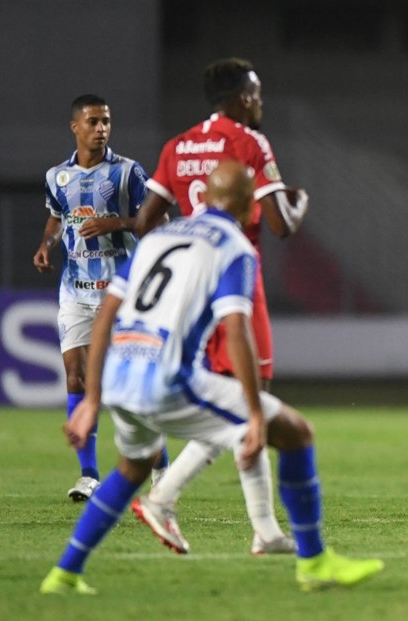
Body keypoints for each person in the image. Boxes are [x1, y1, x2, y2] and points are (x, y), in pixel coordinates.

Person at [39, 161, 383, 595]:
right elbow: (236, 328)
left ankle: (64, 573)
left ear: (203, 199)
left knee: (132, 467)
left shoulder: (161, 236)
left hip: (120, 378)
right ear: (248, 207)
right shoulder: (234, 247)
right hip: (167, 379)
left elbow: (109, 308)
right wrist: (255, 413)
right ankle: (314, 562)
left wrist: (92, 399)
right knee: (295, 432)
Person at [130, 57, 310, 555]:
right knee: (250, 400)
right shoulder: (248, 143)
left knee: (234, 400)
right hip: (236, 279)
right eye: (256, 93)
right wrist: (299, 203)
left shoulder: (178, 145)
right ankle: (165, 498)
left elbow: (146, 222)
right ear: (242, 98)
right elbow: (279, 224)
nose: (260, 102)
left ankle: (265, 531)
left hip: (193, 287)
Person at [35, 94, 168, 502]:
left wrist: (119, 222)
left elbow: (159, 221)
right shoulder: (57, 176)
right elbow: (58, 217)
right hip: (75, 292)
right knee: (75, 379)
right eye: (93, 121)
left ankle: (161, 469)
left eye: (106, 121)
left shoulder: (128, 172)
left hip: (123, 295)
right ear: (75, 127)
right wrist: (46, 244)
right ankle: (89, 475)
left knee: (135, 387)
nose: (101, 128)